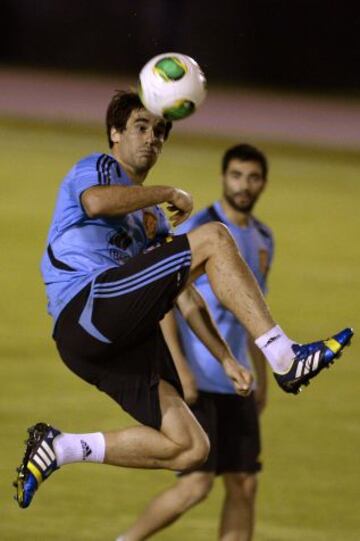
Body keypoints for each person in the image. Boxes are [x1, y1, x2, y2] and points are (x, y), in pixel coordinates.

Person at [14, 90, 352, 512]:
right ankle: (284, 355)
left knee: (191, 447)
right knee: (214, 235)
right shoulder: (99, 168)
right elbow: (97, 202)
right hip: (87, 307)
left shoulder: (150, 222)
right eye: (140, 127)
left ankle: (61, 447)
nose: (152, 137)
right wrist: (167, 191)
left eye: (160, 131)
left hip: (104, 342)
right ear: (114, 133)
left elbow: (186, 297)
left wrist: (227, 358)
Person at [118, 143, 273, 541]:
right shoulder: (199, 229)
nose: (244, 185)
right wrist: (182, 367)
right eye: (237, 175)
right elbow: (166, 299)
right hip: (200, 376)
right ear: (224, 178)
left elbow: (253, 311)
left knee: (244, 484)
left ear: (263, 184)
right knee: (195, 486)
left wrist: (263, 376)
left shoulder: (262, 239)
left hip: (236, 379)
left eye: (253, 177)